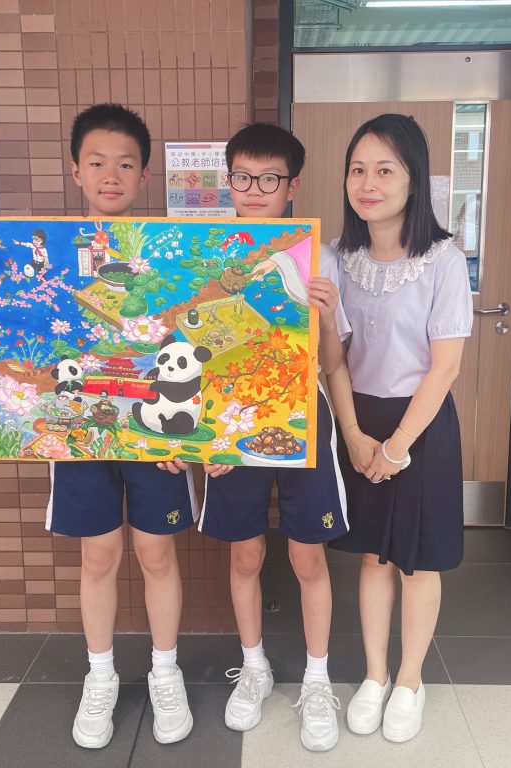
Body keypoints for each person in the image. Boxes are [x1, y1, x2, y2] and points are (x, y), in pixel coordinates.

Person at [0, 104, 197, 750]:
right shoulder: (46, 256)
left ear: (144, 175)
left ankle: (165, 672)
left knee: (157, 553)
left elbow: (192, 343)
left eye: (125, 164)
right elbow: (10, 322)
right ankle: (101, 675)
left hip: (150, 427)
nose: (111, 175)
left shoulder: (168, 257)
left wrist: (192, 434)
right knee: (98, 556)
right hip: (77, 429)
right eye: (97, 162)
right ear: (76, 171)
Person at [161, 123, 350, 752]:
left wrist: (326, 317)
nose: (256, 188)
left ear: (292, 185)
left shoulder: (318, 257)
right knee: (244, 553)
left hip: (302, 418)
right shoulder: (205, 253)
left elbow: (332, 362)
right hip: (230, 423)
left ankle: (317, 680)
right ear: (229, 181)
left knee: (307, 556)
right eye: (243, 176)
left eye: (270, 178)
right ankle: (255, 666)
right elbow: (186, 349)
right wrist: (202, 439)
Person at [321, 114, 473, 743]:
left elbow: (446, 366)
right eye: (358, 169)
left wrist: (398, 447)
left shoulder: (443, 259)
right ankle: (375, 675)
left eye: (385, 170)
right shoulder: (336, 257)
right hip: (358, 418)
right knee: (373, 556)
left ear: (414, 180)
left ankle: (409, 680)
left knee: (417, 561)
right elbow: (333, 359)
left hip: (421, 427)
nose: (368, 183)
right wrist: (355, 436)